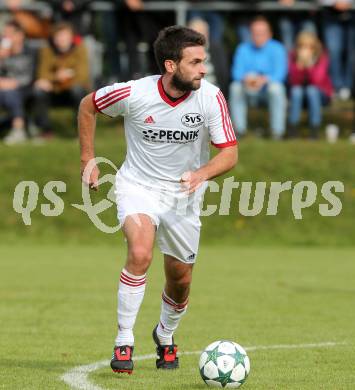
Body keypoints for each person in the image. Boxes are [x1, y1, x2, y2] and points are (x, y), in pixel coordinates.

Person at [78, 26, 237, 374]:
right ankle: (123, 342)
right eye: (194, 62)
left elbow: (229, 153)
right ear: (169, 64)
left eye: (203, 61)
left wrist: (201, 174)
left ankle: (165, 334)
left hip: (184, 195)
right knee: (139, 253)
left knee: (180, 281)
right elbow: (88, 105)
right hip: (138, 186)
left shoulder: (211, 97)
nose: (202, 69)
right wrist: (87, 158)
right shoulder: (134, 93)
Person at [229, 16, 288, 139]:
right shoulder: (243, 48)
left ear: (270, 34)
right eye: (255, 33)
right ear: (251, 34)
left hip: (267, 90)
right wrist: (246, 79)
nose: (258, 36)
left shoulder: (278, 48)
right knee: (235, 87)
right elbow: (236, 73)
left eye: (262, 33)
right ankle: (240, 130)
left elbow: (281, 74)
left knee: (276, 88)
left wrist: (265, 80)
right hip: (248, 88)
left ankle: (277, 132)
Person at [32, 22, 90, 137]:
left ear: (71, 37)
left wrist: (57, 79)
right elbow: (42, 75)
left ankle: (81, 132)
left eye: (64, 36)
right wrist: (57, 77)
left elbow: (82, 76)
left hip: (72, 92)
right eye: (58, 36)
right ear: (53, 38)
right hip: (54, 93)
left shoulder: (80, 49)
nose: (61, 39)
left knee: (77, 90)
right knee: (39, 90)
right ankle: (46, 131)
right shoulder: (47, 50)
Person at [288, 31, 333, 138]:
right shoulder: (292, 57)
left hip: (321, 95)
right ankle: (293, 128)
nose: (306, 50)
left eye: (310, 47)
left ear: (315, 47)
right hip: (300, 96)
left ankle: (314, 128)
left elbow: (317, 81)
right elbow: (293, 82)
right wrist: (299, 65)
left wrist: (309, 65)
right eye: (303, 46)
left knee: (311, 90)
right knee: (296, 91)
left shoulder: (322, 57)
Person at [0, 20, 35, 144]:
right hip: (3, 88)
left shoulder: (30, 52)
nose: (5, 37)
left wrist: (14, 83)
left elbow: (29, 77)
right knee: (7, 92)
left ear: (20, 35)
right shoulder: (2, 51)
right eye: (4, 34)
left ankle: (18, 130)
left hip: (25, 87)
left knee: (10, 93)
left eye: (9, 34)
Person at [319, 0, 355, 100]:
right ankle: (336, 86)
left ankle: (347, 86)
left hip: (352, 10)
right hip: (330, 11)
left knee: (352, 53)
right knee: (333, 51)